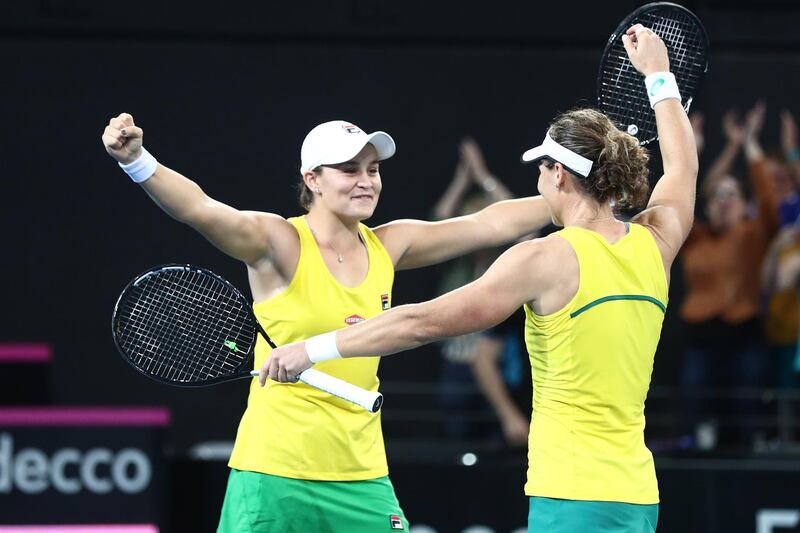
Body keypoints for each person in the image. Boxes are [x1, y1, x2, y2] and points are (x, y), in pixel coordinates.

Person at [265, 24, 696, 532]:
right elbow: (683, 167)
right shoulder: (658, 240)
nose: (539, 181)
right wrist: (660, 77)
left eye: (541, 171)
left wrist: (312, 349)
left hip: (573, 498)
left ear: (558, 175)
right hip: (637, 497)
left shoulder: (545, 258)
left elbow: (424, 321)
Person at [102, 114, 555, 531]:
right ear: (312, 179)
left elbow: (488, 224)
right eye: (349, 170)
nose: (366, 182)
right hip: (275, 470)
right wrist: (137, 161)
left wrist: (577, 196)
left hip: (361, 474)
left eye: (372, 170)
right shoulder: (276, 242)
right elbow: (199, 209)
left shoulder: (390, 245)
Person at [679, 102, 777, 451]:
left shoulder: (753, 233)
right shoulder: (694, 236)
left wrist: (749, 143)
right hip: (702, 335)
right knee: (694, 400)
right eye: (717, 197)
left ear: (743, 202)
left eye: (731, 196)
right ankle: (695, 449)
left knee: (745, 407)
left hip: (743, 332)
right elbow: (679, 199)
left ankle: (747, 454)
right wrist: (694, 149)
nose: (723, 202)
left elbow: (768, 201)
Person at [433, 138, 530, 446]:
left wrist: (484, 176)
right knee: (456, 440)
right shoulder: (454, 262)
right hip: (457, 364)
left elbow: (525, 226)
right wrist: (463, 180)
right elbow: (439, 218)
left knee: (498, 439)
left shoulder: (504, 259)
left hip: (498, 363)